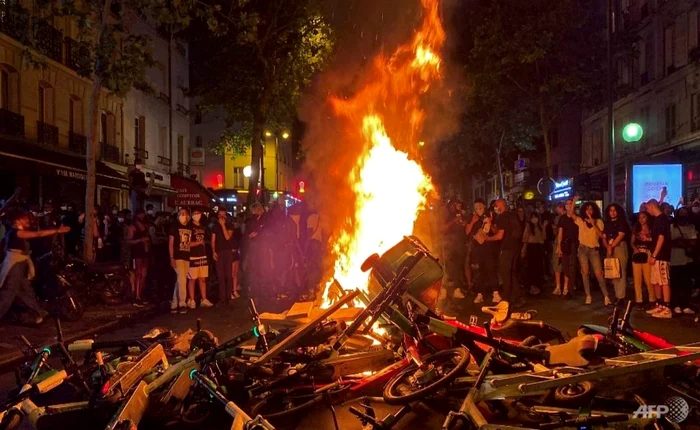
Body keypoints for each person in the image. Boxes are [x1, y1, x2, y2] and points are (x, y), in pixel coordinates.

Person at [0, 210, 70, 324]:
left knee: (25, 291)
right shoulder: (16, 232)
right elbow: (37, 234)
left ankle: (39, 312)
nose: (27, 220)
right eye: (24, 218)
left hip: (19, 264)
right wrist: (57, 230)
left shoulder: (14, 232)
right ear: (17, 220)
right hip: (15, 265)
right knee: (9, 293)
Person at [570, 201, 608, 305]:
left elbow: (601, 235)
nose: (589, 211)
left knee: (599, 273)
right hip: (582, 249)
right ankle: (588, 295)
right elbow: (571, 214)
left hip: (594, 249)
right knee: (585, 272)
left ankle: (606, 295)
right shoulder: (580, 221)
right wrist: (573, 202)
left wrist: (593, 222)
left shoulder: (599, 221)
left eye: (591, 209)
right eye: (587, 209)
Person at [486, 199, 523, 306]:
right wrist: (491, 223)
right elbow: (497, 230)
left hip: (507, 248)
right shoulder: (513, 215)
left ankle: (507, 298)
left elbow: (499, 235)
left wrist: (487, 239)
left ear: (502, 205)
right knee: (512, 273)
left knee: (505, 274)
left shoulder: (502, 217)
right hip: (515, 248)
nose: (495, 207)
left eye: (496, 205)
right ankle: (517, 297)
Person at [646, 199, 672, 318]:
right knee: (656, 281)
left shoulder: (662, 219)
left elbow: (661, 238)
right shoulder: (657, 219)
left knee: (664, 281)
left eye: (647, 208)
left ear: (652, 206)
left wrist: (654, 255)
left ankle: (667, 308)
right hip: (656, 255)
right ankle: (659, 304)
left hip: (661, 256)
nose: (647, 210)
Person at [669, 207, 696, 315]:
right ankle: (675, 304)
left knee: (686, 284)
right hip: (675, 260)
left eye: (686, 213)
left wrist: (679, 242)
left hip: (687, 260)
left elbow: (693, 242)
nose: (683, 215)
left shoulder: (691, 227)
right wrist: (683, 243)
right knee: (675, 284)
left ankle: (685, 304)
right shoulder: (671, 227)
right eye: (682, 213)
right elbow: (669, 243)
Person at [603, 203, 630, 303]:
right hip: (609, 248)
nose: (612, 212)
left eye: (614, 210)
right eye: (611, 210)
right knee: (612, 272)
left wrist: (612, 246)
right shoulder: (607, 223)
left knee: (621, 271)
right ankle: (617, 294)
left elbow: (621, 235)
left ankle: (621, 297)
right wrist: (608, 246)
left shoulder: (622, 222)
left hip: (619, 247)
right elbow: (604, 237)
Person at [630, 211, 656, 310]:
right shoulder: (636, 229)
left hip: (647, 253)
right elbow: (631, 242)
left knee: (648, 278)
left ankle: (652, 299)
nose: (641, 219)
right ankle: (639, 301)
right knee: (637, 279)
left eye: (643, 217)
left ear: (647, 218)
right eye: (639, 217)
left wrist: (648, 239)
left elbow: (654, 241)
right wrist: (635, 249)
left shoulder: (651, 229)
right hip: (637, 253)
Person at [187, 209, 213, 308]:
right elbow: (187, 243)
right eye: (194, 213)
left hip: (202, 255)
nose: (197, 215)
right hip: (193, 255)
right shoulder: (189, 227)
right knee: (192, 278)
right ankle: (192, 300)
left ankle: (204, 299)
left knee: (202, 278)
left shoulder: (203, 227)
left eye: (198, 213)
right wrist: (198, 243)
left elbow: (205, 240)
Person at [212, 208, 238, 305]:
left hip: (227, 252)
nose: (221, 217)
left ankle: (228, 297)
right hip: (219, 252)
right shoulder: (215, 226)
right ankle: (222, 298)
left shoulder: (229, 225)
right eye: (219, 215)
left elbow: (227, 237)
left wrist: (223, 225)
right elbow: (213, 240)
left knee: (228, 274)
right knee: (220, 276)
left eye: (223, 215)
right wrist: (213, 251)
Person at [466, 199, 489, 304]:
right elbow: (467, 231)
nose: (478, 210)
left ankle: (492, 292)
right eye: (476, 208)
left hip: (488, 247)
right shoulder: (472, 218)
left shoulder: (488, 216)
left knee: (487, 270)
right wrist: (473, 222)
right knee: (477, 270)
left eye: (480, 207)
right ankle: (479, 293)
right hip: (476, 248)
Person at [169, 208, 191, 314]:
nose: (182, 215)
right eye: (180, 214)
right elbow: (171, 243)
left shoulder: (189, 227)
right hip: (177, 257)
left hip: (186, 256)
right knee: (182, 280)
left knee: (180, 280)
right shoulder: (174, 227)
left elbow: (189, 243)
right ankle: (182, 302)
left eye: (184, 213)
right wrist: (172, 257)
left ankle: (174, 302)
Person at [555, 199, 578, 297]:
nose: (568, 205)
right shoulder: (562, 218)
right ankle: (566, 286)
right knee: (565, 266)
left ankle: (569, 289)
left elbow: (572, 215)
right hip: (565, 244)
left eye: (570, 204)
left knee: (572, 266)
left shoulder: (575, 217)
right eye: (567, 204)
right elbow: (560, 233)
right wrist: (559, 246)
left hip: (574, 244)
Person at [128, 209, 150, 307]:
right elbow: (129, 241)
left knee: (144, 274)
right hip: (137, 253)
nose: (142, 216)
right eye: (140, 214)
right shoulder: (133, 227)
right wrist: (140, 240)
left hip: (145, 252)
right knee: (138, 274)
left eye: (143, 214)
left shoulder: (145, 226)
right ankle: (136, 297)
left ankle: (140, 294)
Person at [521, 212, 546, 296]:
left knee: (539, 267)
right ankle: (532, 286)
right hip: (531, 247)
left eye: (536, 217)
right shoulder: (528, 226)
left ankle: (537, 285)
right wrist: (524, 249)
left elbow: (544, 237)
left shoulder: (540, 226)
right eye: (533, 217)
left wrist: (544, 227)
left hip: (539, 247)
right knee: (531, 267)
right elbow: (525, 238)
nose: (534, 219)